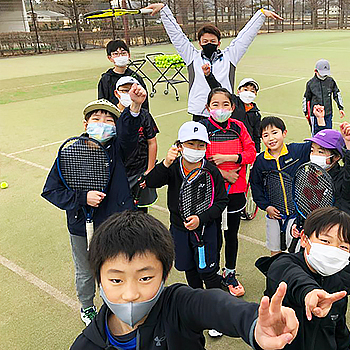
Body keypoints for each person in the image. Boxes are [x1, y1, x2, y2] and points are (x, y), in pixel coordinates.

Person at [70, 210, 299, 349]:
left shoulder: (177, 306)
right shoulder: (87, 344)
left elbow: (214, 305)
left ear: (165, 274)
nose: (130, 294)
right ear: (99, 277)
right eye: (116, 281)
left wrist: (254, 324)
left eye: (145, 277)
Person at [41, 85, 147, 326]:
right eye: (96, 118)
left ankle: (115, 302)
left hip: (116, 223)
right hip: (81, 226)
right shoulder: (70, 153)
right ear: (85, 124)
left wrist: (136, 106)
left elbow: (130, 133)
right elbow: (51, 190)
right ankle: (87, 306)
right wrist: (81, 198)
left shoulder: (118, 148)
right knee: (85, 270)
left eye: (109, 120)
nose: (103, 123)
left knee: (117, 267)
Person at [144, 3, 281, 121]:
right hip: (199, 112)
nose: (209, 44)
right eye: (205, 42)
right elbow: (177, 36)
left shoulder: (229, 57)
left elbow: (244, 38)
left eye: (213, 41)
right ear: (199, 43)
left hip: (224, 112)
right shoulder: (192, 56)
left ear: (219, 43)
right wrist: (163, 10)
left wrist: (261, 15)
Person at [294, 117, 350, 295]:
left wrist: (349, 144)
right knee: (313, 283)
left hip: (337, 242)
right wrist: (299, 224)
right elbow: (306, 205)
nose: (315, 155)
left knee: (337, 290)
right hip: (316, 241)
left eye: (321, 151)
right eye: (313, 150)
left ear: (336, 157)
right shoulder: (311, 176)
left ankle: (336, 320)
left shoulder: (344, 181)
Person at [255, 207, 350, 350]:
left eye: (343, 246)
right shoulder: (283, 264)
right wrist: (309, 291)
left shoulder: (338, 286)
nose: (334, 250)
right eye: (325, 241)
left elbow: (339, 331)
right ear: (304, 238)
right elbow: (292, 276)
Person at [144, 121, 227, 293]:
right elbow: (151, 181)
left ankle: (216, 305)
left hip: (206, 231)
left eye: (200, 145)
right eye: (190, 144)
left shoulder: (211, 171)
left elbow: (221, 201)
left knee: (209, 273)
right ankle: (197, 300)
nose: (196, 149)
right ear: (180, 145)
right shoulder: (173, 167)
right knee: (190, 269)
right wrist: (166, 162)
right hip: (179, 230)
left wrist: (201, 219)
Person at [200, 87, 256, 298]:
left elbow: (251, 153)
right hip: (212, 193)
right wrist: (224, 176)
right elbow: (199, 159)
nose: (220, 109)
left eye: (225, 105)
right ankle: (213, 275)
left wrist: (230, 158)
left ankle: (230, 273)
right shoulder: (203, 128)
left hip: (236, 192)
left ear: (233, 107)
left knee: (231, 235)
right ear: (208, 108)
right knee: (213, 236)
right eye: (215, 105)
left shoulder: (238, 127)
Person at [250, 116, 317, 256]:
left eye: (274, 132)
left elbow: (318, 143)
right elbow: (255, 186)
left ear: (284, 133)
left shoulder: (296, 151)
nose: (271, 138)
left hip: (296, 214)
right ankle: (276, 276)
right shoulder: (260, 161)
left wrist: (320, 120)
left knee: (297, 252)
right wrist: (266, 207)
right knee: (275, 252)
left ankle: (294, 277)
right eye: (265, 135)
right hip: (274, 215)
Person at [114, 76, 159, 212]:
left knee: (141, 213)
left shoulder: (145, 115)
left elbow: (152, 143)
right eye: (125, 90)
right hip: (119, 172)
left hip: (140, 171)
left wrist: (149, 169)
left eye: (133, 90)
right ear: (117, 93)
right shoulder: (111, 114)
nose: (129, 94)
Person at [203, 64, 262, 153]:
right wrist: (208, 75)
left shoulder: (256, 113)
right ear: (238, 91)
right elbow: (218, 88)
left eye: (252, 91)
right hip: (230, 141)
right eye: (245, 89)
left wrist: (257, 152)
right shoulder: (233, 101)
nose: (249, 93)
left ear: (256, 94)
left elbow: (256, 135)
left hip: (244, 146)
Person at [98, 40, 150, 111]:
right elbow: (102, 104)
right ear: (110, 58)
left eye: (123, 53)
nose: (120, 56)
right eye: (116, 54)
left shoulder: (136, 78)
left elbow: (144, 104)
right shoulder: (106, 79)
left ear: (129, 55)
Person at [302, 59, 345, 135]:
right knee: (316, 135)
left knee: (328, 134)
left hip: (328, 113)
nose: (324, 75)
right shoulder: (310, 83)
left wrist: (340, 108)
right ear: (316, 71)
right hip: (315, 115)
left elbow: (337, 93)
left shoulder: (330, 81)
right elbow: (306, 99)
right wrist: (306, 113)